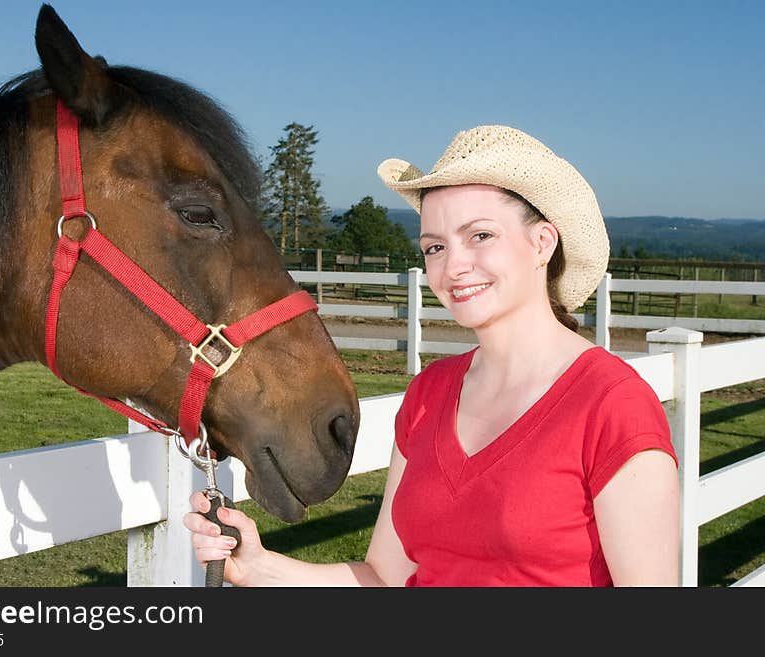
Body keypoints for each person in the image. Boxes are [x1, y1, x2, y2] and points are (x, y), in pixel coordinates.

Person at [183, 125, 680, 586]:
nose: (454, 266)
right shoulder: (430, 393)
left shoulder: (611, 404)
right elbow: (385, 577)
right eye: (435, 247)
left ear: (542, 243)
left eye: (480, 236)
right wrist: (257, 566)